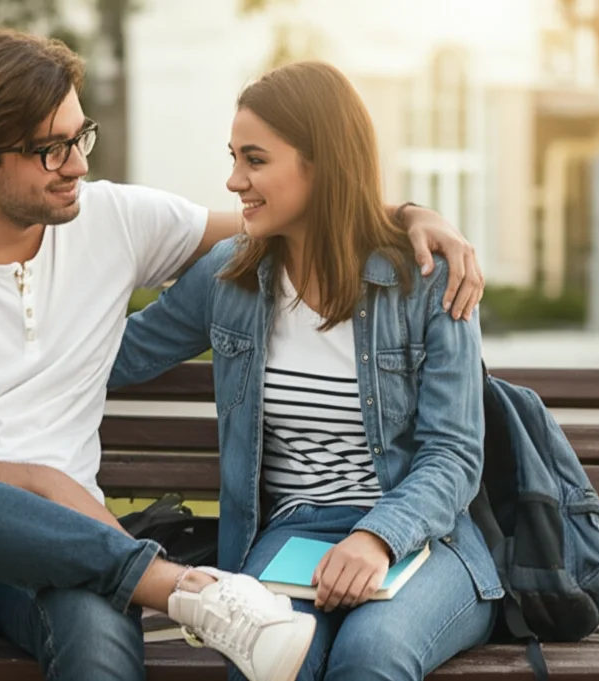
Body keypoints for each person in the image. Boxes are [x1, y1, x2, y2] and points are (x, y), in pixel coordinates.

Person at [0, 28, 485, 681]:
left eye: (81, 137)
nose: (79, 165)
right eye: (52, 150)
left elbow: (308, 214)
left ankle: (159, 581)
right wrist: (41, 481)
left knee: (100, 644)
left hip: (70, 547)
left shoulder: (111, 222)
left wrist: (413, 215)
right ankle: (173, 585)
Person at [109, 60, 503, 681]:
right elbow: (113, 357)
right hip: (294, 533)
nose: (235, 180)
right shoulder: (229, 277)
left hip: (424, 540)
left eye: (256, 160)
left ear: (319, 164)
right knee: (266, 657)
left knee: (371, 656)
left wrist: (376, 537)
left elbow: (453, 455)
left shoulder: (427, 279)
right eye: (234, 157)